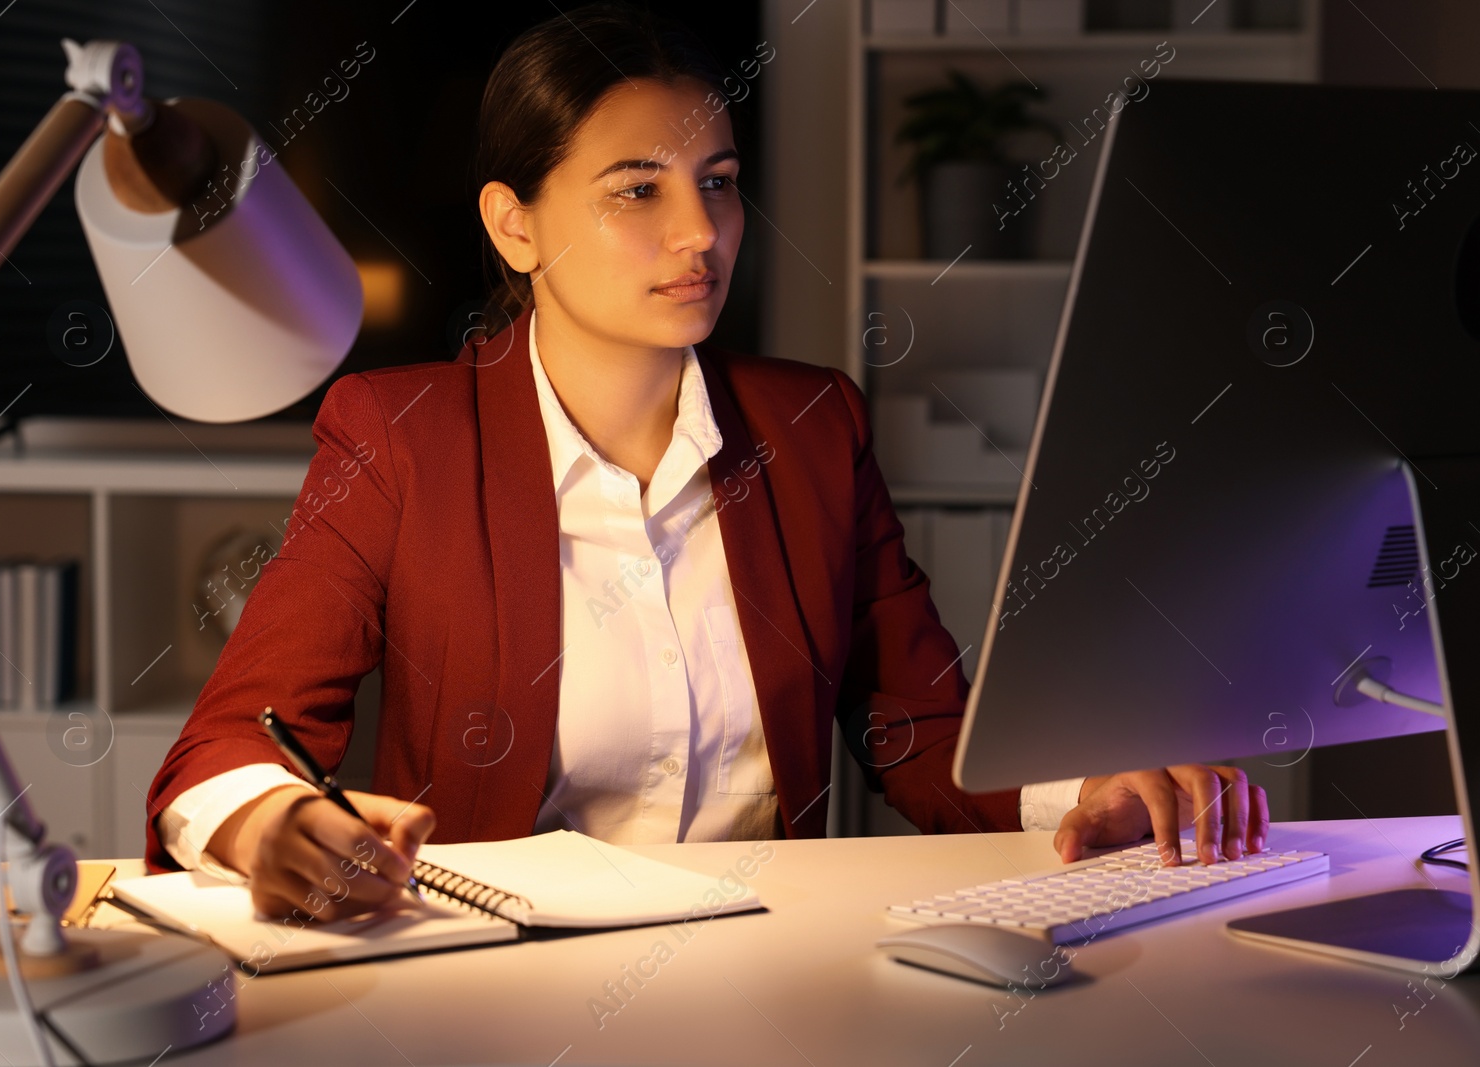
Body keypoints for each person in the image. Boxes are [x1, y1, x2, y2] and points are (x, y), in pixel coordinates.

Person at [144, 2, 1267, 924]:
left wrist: (1091, 790)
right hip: (493, 986)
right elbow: (228, 743)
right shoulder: (399, 436)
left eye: (718, 182)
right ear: (515, 225)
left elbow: (918, 733)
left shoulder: (814, 425)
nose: (702, 232)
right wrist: (268, 821)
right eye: (639, 189)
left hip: (763, 971)